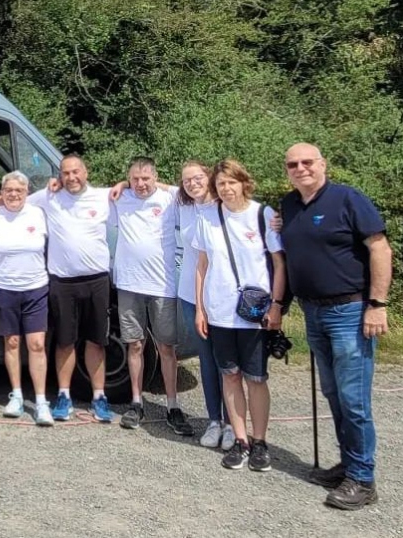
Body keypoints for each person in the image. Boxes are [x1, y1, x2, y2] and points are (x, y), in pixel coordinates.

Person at [276, 143, 391, 510]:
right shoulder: (289, 206)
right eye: (293, 164)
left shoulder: (347, 199)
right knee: (333, 394)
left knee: (354, 399)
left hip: (350, 312)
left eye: (307, 162)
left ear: (323, 164)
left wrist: (377, 305)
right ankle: (348, 464)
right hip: (313, 312)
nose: (300, 168)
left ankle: (363, 479)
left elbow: (380, 249)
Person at [192, 159, 284, 472]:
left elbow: (279, 264)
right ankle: (241, 440)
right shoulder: (208, 218)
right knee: (229, 375)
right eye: (220, 184)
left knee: (255, 379)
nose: (227, 189)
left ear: (243, 182)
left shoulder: (263, 215)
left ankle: (260, 442)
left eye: (231, 182)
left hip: (253, 314)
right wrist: (200, 309)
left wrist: (277, 306)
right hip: (218, 312)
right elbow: (202, 267)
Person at [29, 155, 114, 423]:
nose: (71, 177)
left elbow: (141, 187)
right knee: (65, 341)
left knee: (96, 341)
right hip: (62, 282)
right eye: (65, 173)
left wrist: (123, 183)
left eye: (76, 171)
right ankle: (64, 397)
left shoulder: (104, 197)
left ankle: (99, 397)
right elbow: (13, 200)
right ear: (60, 176)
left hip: (97, 280)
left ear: (86, 171)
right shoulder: (49, 196)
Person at [111, 157, 193, 435]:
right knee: (134, 345)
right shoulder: (120, 198)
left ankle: (173, 406)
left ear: (155, 178)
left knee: (166, 348)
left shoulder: (171, 199)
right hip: (129, 284)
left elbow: (194, 191)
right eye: (134, 178)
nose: (140, 184)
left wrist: (159, 184)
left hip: (162, 287)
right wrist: (122, 185)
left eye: (146, 178)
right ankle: (136, 403)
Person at [174, 161, 235, 451]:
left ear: (209, 177)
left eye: (197, 178)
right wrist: (124, 185)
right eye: (186, 181)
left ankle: (234, 424)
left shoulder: (226, 206)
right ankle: (214, 421)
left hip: (223, 296)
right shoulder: (184, 206)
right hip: (190, 295)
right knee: (207, 360)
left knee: (229, 363)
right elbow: (151, 186)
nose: (193, 183)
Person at [0, 170, 53, 426]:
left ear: (27, 192)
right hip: (5, 288)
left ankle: (40, 401)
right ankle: (16, 395)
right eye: (8, 190)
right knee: (12, 343)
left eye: (19, 190)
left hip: (36, 288)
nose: (13, 194)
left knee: (37, 344)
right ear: (1, 193)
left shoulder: (37, 214)